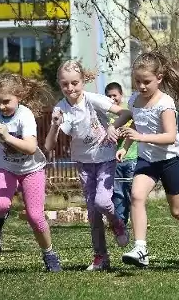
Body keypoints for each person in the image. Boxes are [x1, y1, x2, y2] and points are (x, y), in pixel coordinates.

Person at [111, 51, 179, 268]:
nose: (142, 86)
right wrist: (126, 148)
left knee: (177, 211)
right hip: (147, 160)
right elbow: (136, 125)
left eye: (146, 81)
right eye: (138, 81)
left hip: (171, 160)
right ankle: (140, 248)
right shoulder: (134, 101)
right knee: (136, 196)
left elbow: (170, 136)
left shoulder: (165, 103)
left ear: (159, 78)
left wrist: (140, 137)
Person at [0, 73, 62, 272]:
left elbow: (31, 147)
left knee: (35, 216)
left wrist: (7, 136)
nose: (1, 106)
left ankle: (49, 254)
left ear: (19, 97)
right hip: (6, 168)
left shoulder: (24, 115)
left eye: (6, 101)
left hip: (32, 170)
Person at [45, 61, 130, 271]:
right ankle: (101, 256)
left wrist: (112, 127)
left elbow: (126, 114)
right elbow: (48, 145)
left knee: (102, 202)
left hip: (105, 158)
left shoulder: (93, 100)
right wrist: (55, 124)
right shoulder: (61, 108)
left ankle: (117, 223)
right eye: (65, 84)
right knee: (92, 212)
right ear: (60, 84)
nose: (70, 88)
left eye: (75, 83)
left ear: (83, 81)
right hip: (83, 164)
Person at [105, 82, 138, 226]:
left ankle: (138, 218)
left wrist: (121, 132)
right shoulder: (106, 114)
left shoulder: (127, 111)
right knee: (117, 192)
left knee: (133, 192)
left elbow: (133, 129)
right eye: (109, 96)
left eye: (115, 95)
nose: (112, 98)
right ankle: (120, 221)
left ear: (121, 95)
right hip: (114, 159)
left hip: (131, 157)